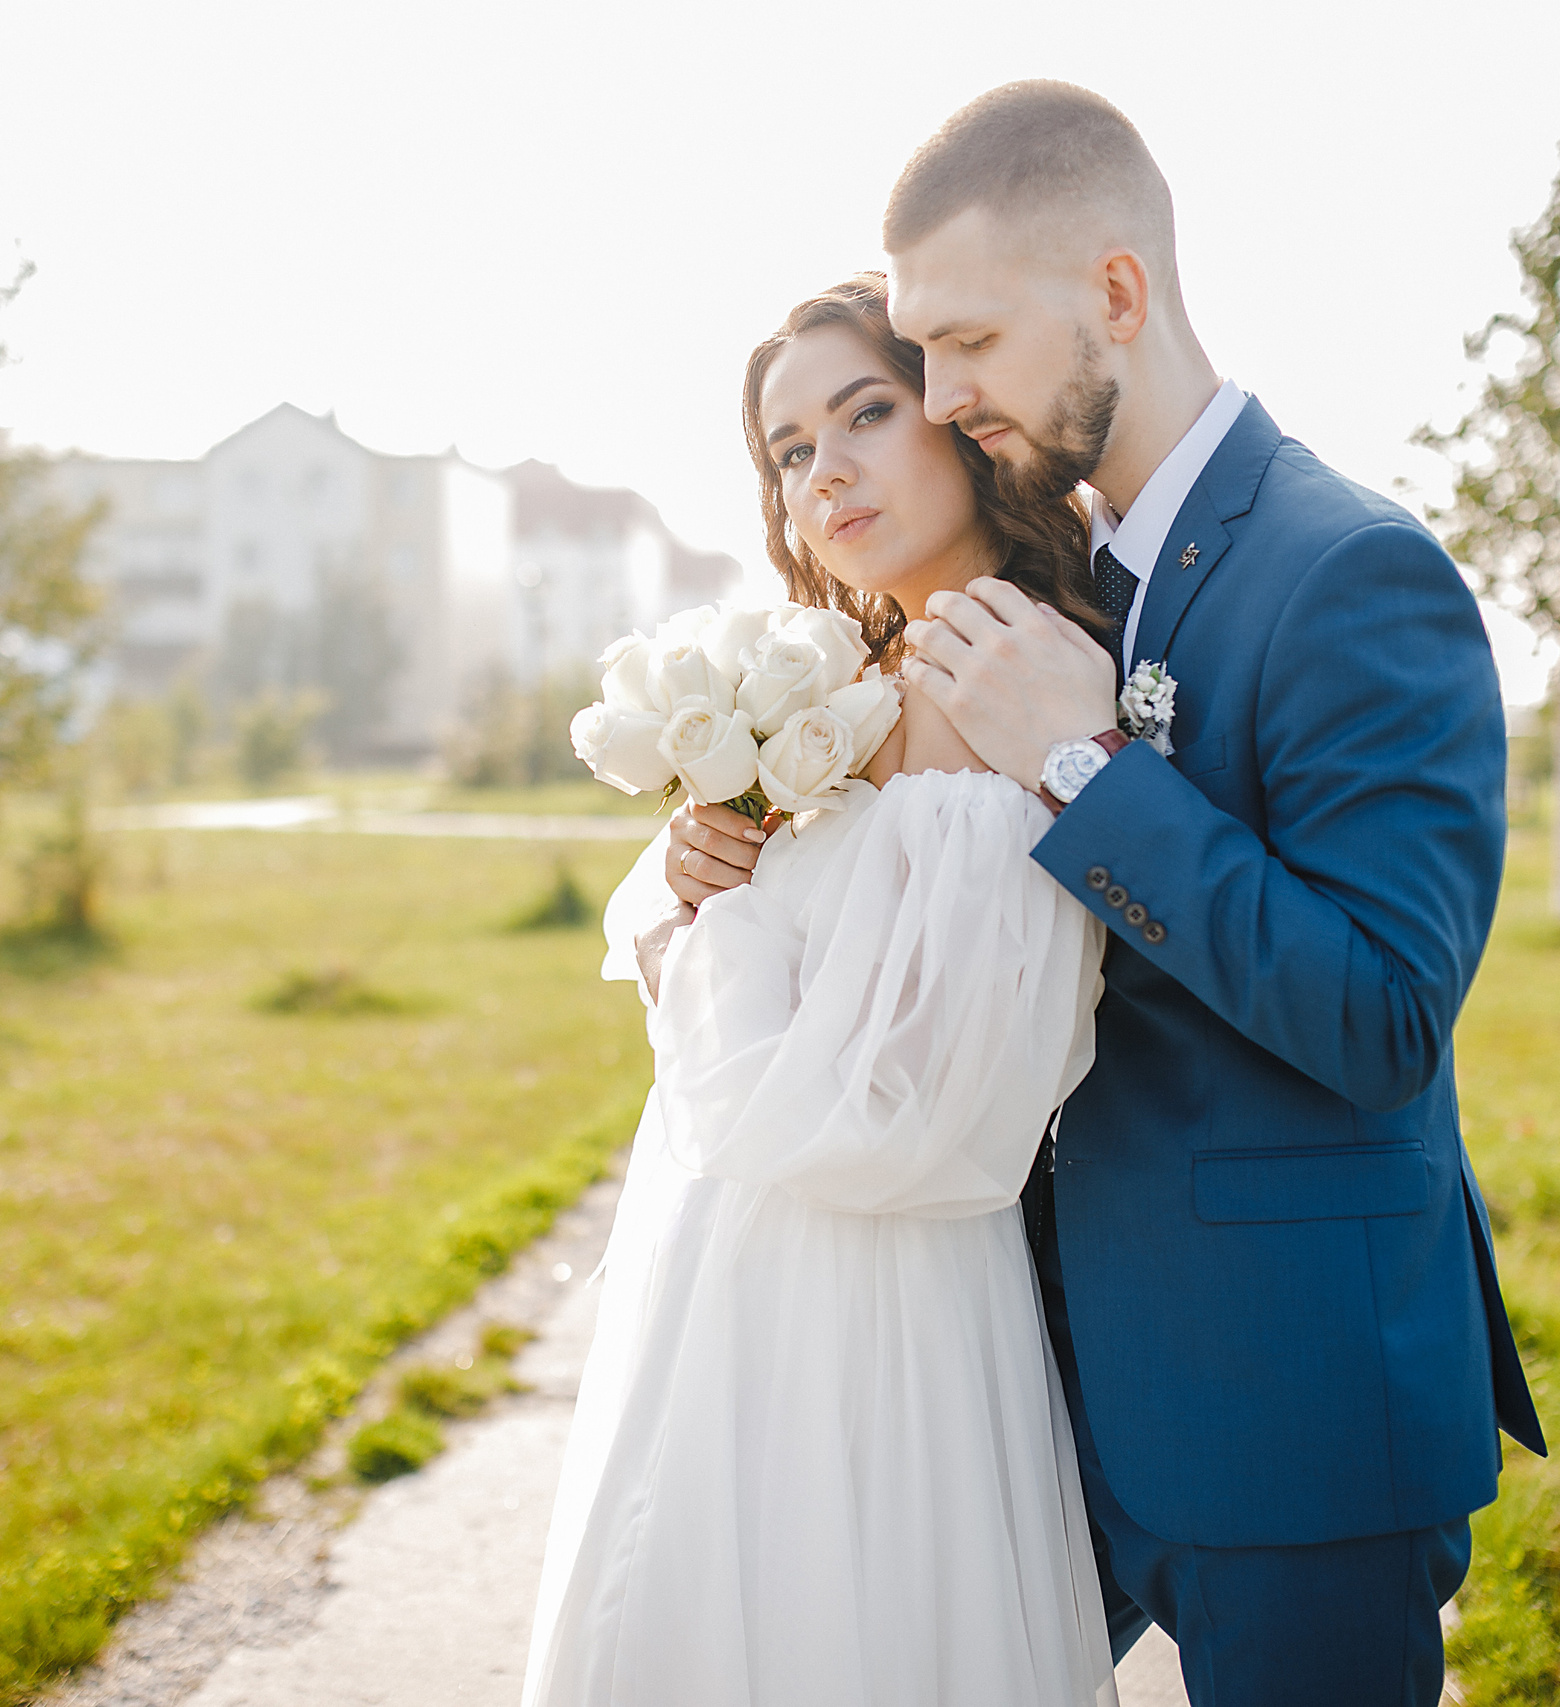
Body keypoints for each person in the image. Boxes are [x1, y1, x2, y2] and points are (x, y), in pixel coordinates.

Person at [878, 82, 1545, 1707]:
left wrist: (1088, 768)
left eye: (969, 341)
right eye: (922, 352)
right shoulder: (1064, 579)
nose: (941, 396)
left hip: (1295, 1410)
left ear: (1118, 291)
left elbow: (1385, 1014)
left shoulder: (1351, 569)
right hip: (1069, 1389)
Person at [520, 275, 1123, 1707]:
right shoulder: (848, 678)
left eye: (866, 414)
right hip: (728, 1282)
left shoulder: (1007, 683)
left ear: (962, 415)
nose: (826, 473)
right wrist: (702, 861)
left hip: (875, 1310)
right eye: (791, 451)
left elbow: (906, 1112)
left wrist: (709, 938)